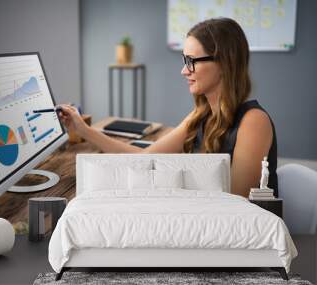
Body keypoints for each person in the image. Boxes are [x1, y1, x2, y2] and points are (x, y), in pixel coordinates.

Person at [58, 17, 278, 198]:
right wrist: (84, 130)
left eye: (192, 61)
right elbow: (143, 158)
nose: (184, 71)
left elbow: (236, 201)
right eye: (184, 60)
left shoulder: (253, 122)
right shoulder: (201, 115)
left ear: (223, 63)